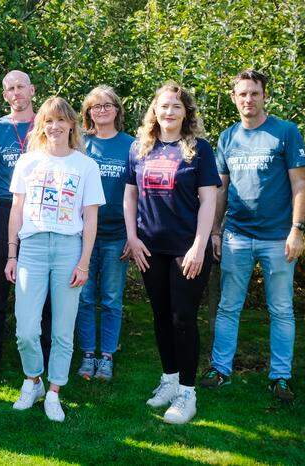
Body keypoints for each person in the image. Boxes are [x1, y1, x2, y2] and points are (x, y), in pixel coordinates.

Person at [200, 70, 305, 402]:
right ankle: (220, 370)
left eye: (254, 93)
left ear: (264, 96)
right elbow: (220, 189)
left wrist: (297, 230)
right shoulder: (227, 137)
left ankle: (280, 377)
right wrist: (216, 230)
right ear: (234, 98)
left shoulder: (285, 132)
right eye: (242, 94)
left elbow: (299, 185)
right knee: (229, 306)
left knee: (281, 309)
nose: (248, 99)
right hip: (236, 236)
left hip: (278, 238)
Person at [123, 82, 220, 424]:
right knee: (161, 316)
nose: (169, 112)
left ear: (186, 113)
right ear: (154, 110)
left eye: (176, 107)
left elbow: (209, 199)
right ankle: (169, 379)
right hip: (150, 247)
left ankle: (187, 393)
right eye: (163, 106)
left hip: (186, 248)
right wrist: (132, 238)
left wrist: (199, 244)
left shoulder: (199, 150)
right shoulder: (140, 148)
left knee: (182, 318)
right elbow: (130, 196)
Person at [5, 97, 103, 422]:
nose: (55, 126)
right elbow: (16, 210)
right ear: (41, 125)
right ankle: (33, 380)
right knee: (26, 329)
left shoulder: (85, 166)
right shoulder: (28, 162)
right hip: (31, 248)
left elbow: (90, 218)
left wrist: (84, 261)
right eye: (49, 121)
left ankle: (54, 392)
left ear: (72, 124)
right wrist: (11, 253)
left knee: (63, 329)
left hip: (68, 249)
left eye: (62, 120)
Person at [0, 70, 52, 377]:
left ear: (32, 90)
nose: (16, 92)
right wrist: (6, 200)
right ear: (5, 95)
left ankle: (46, 355)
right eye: (10, 88)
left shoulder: (48, 124)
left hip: (43, 210)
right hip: (5, 207)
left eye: (21, 86)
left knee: (44, 283)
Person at [74, 85, 134, 381]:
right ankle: (87, 355)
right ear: (87, 113)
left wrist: (133, 235)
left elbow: (138, 194)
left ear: (117, 110)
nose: (101, 110)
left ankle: (106, 356)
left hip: (116, 234)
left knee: (111, 297)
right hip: (83, 234)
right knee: (84, 297)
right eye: (95, 106)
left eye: (107, 105)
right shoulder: (80, 144)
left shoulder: (131, 145)